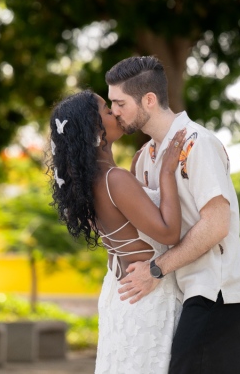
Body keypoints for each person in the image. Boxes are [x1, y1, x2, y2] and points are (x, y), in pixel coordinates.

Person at [106, 55, 240, 374]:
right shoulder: (145, 158)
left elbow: (216, 225)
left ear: (148, 99)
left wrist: (155, 269)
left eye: (119, 103)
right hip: (180, 295)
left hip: (217, 293)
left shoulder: (197, 144)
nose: (114, 112)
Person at [48, 90, 188, 374]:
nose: (116, 111)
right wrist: (166, 175)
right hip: (146, 299)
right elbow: (170, 234)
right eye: (107, 110)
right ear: (94, 129)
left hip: (123, 296)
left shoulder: (96, 181)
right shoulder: (115, 179)